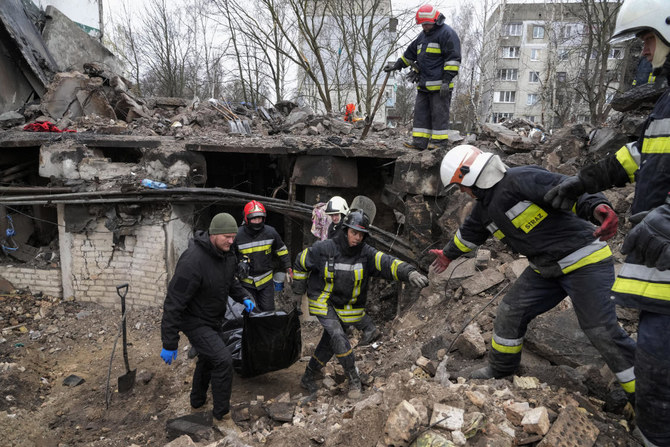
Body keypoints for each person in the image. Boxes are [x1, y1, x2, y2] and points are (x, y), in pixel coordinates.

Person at [543, 1, 670, 443]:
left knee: (660, 378)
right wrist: (584, 182)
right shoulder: (667, 103)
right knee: (655, 373)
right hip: (660, 270)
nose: (644, 51)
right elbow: (640, 157)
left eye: (648, 39)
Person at [430, 145, 636, 401]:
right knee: (510, 312)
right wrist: (448, 254)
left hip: (585, 261)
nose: (461, 191)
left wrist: (598, 207)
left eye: (460, 185)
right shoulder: (484, 209)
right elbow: (468, 236)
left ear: (470, 175)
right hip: (546, 270)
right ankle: (501, 369)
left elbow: (569, 189)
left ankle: (648, 399)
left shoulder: (522, 179)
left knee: (600, 330)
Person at [293, 209, 429, 398]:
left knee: (330, 342)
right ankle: (354, 380)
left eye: (361, 235)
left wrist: (409, 272)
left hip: (345, 307)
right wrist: (297, 294)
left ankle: (309, 375)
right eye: (354, 233)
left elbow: (388, 263)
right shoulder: (323, 249)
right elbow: (300, 261)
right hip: (322, 301)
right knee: (338, 336)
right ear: (346, 230)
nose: (357, 238)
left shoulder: (366, 254)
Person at [160, 213, 256, 424]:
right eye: (227, 237)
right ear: (214, 234)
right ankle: (222, 415)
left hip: (213, 319)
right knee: (223, 360)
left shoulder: (227, 255)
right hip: (194, 321)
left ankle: (197, 401)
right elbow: (174, 302)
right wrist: (169, 341)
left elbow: (231, 282)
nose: (232, 241)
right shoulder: (193, 261)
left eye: (234, 237)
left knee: (208, 358)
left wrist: (244, 297)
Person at [383, 4, 461, 150]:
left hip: (440, 86)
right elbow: (410, 54)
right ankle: (419, 142)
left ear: (435, 21)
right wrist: (397, 65)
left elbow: (453, 59)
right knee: (420, 114)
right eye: (422, 24)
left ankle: (438, 143)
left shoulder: (447, 34)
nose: (423, 27)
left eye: (426, 24)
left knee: (439, 115)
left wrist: (446, 81)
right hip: (424, 85)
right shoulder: (422, 36)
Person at [235, 200, 292, 312]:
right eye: (254, 218)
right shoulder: (237, 235)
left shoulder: (271, 232)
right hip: (246, 283)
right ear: (246, 218)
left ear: (264, 218)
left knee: (268, 312)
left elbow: (282, 250)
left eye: (259, 218)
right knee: (251, 312)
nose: (257, 221)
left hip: (265, 281)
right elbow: (229, 257)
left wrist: (288, 267)